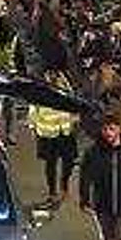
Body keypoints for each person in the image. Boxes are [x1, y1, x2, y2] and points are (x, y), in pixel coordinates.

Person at [30, 62, 78, 204]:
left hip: (65, 130)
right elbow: (33, 107)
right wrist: (33, 127)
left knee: (69, 161)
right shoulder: (39, 86)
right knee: (51, 164)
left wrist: (75, 116)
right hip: (48, 132)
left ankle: (64, 185)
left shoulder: (64, 82)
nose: (52, 75)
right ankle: (52, 192)